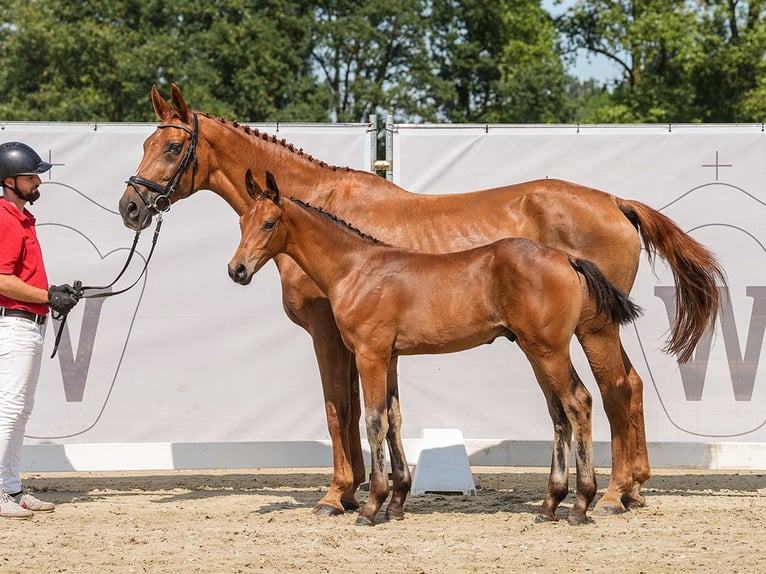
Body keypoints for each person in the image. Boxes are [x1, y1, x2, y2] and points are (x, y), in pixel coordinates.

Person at [0, 141, 80, 519]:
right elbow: (1, 280)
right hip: (14, 325)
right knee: (10, 409)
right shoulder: (4, 218)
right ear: (10, 181)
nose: (38, 183)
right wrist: (48, 296)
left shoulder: (20, 218)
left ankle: (11, 487)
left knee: (20, 410)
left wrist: (52, 294)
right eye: (33, 176)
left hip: (28, 324)